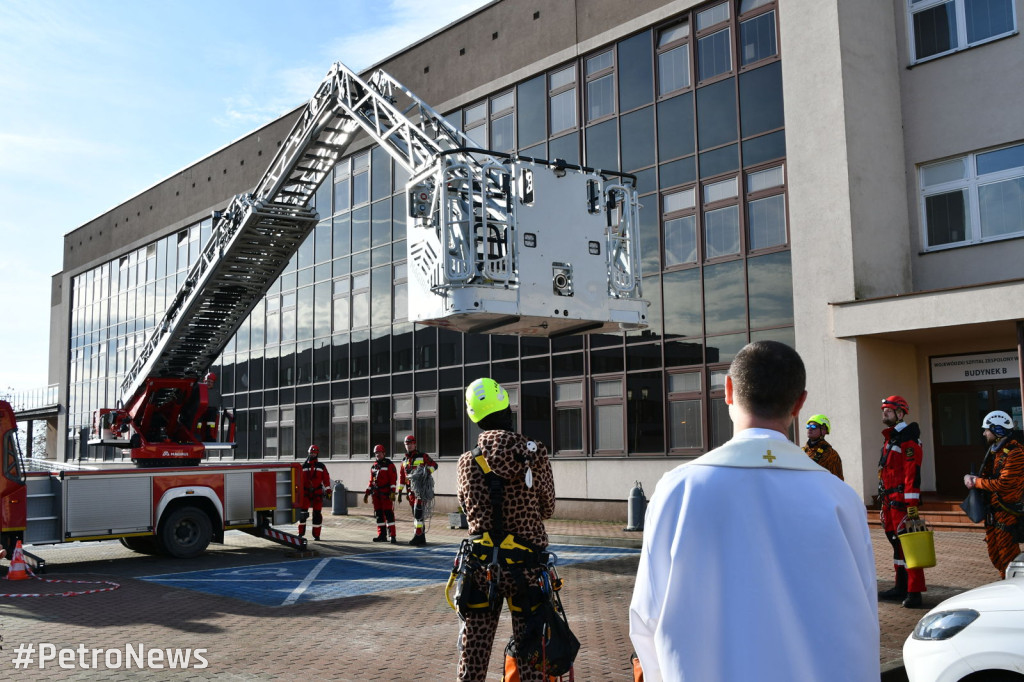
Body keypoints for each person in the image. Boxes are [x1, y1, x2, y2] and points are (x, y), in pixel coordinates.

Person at [628, 341, 878, 682]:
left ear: (728, 390)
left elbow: (647, 618)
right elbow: (863, 616)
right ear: (800, 403)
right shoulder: (841, 499)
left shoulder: (678, 490)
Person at [454, 377, 555, 682]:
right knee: (532, 656)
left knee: (473, 655)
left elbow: (465, 507)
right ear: (508, 411)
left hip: (483, 569)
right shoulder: (534, 453)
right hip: (528, 568)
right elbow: (547, 507)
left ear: (475, 417)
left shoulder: (466, 462)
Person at [878, 394, 927, 608]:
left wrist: (912, 507)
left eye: (888, 410)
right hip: (889, 502)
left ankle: (915, 592)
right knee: (897, 545)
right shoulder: (891, 439)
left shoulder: (908, 438)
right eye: (883, 410)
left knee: (910, 546)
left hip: (902, 504)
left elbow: (912, 473)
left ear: (900, 413)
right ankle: (901, 586)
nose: (884, 413)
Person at [964, 410, 1024, 578]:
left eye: (986, 430)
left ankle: (1011, 589)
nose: (984, 433)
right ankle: (1004, 582)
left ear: (997, 430)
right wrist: (973, 478)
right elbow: (989, 476)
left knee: (1008, 559)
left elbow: (1003, 484)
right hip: (994, 513)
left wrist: (976, 482)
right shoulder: (996, 452)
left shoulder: (1015, 453)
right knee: (996, 557)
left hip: (1007, 513)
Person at [398, 434, 438, 546]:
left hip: (421, 491)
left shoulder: (423, 456)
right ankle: (421, 537)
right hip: (410, 492)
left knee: (418, 514)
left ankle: (418, 536)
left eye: (411, 443)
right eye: (407, 444)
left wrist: (425, 474)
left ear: (415, 444)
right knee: (416, 515)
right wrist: (400, 492)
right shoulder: (404, 460)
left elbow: (434, 465)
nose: (409, 445)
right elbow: (402, 477)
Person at [364, 444, 398, 543]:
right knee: (379, 515)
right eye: (376, 453)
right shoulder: (374, 466)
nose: (377, 454)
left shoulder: (389, 464)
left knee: (388, 514)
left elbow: (393, 479)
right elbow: (371, 481)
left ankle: (392, 535)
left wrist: (392, 492)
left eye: (379, 452)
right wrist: (367, 493)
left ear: (383, 453)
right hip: (376, 494)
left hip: (386, 494)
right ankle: (382, 535)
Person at [297, 445, 331, 541]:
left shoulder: (321, 466)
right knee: (302, 513)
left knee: (317, 514)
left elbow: (326, 479)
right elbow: (299, 480)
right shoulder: (303, 466)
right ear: (308, 453)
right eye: (311, 452)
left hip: (317, 492)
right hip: (306, 492)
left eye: (314, 453)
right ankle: (300, 533)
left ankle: (316, 535)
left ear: (317, 453)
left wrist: (328, 490)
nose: (312, 454)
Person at [803, 413, 844, 479]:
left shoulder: (831, 454)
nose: (810, 429)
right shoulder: (801, 451)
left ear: (824, 430)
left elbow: (837, 482)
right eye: (808, 426)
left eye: (813, 426)